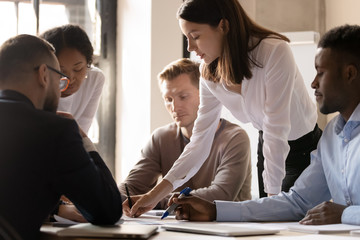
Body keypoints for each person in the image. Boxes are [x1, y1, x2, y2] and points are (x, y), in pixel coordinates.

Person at [126, 0, 321, 217]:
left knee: (290, 222)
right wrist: (153, 196)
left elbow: (277, 128)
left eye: (196, 36)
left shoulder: (274, 51)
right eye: (186, 38)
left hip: (303, 147)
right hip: (266, 143)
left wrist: (271, 202)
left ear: (223, 26)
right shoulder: (208, 72)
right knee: (270, 221)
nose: (190, 47)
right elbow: (199, 143)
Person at [170, 24, 360, 226]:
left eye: (321, 73)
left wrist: (344, 214)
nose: (313, 83)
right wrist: (215, 210)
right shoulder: (331, 137)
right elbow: (298, 202)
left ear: (349, 74)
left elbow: (333, 211)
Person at [0, 34, 122, 240]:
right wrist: (84, 140)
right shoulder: (54, 131)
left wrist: (56, 208)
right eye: (60, 78)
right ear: (44, 75)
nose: (62, 88)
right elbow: (107, 210)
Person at [120, 58, 252, 210]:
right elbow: (131, 187)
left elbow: (221, 194)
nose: (175, 107)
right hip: (176, 228)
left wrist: (153, 199)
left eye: (183, 97)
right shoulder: (160, 138)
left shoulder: (234, 138)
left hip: (226, 230)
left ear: (205, 94)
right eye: (168, 99)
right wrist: (114, 198)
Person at [40, 24, 105, 133]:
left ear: (88, 63)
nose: (70, 78)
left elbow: (82, 131)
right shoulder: (37, 86)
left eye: (78, 69)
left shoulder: (95, 79)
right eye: (60, 71)